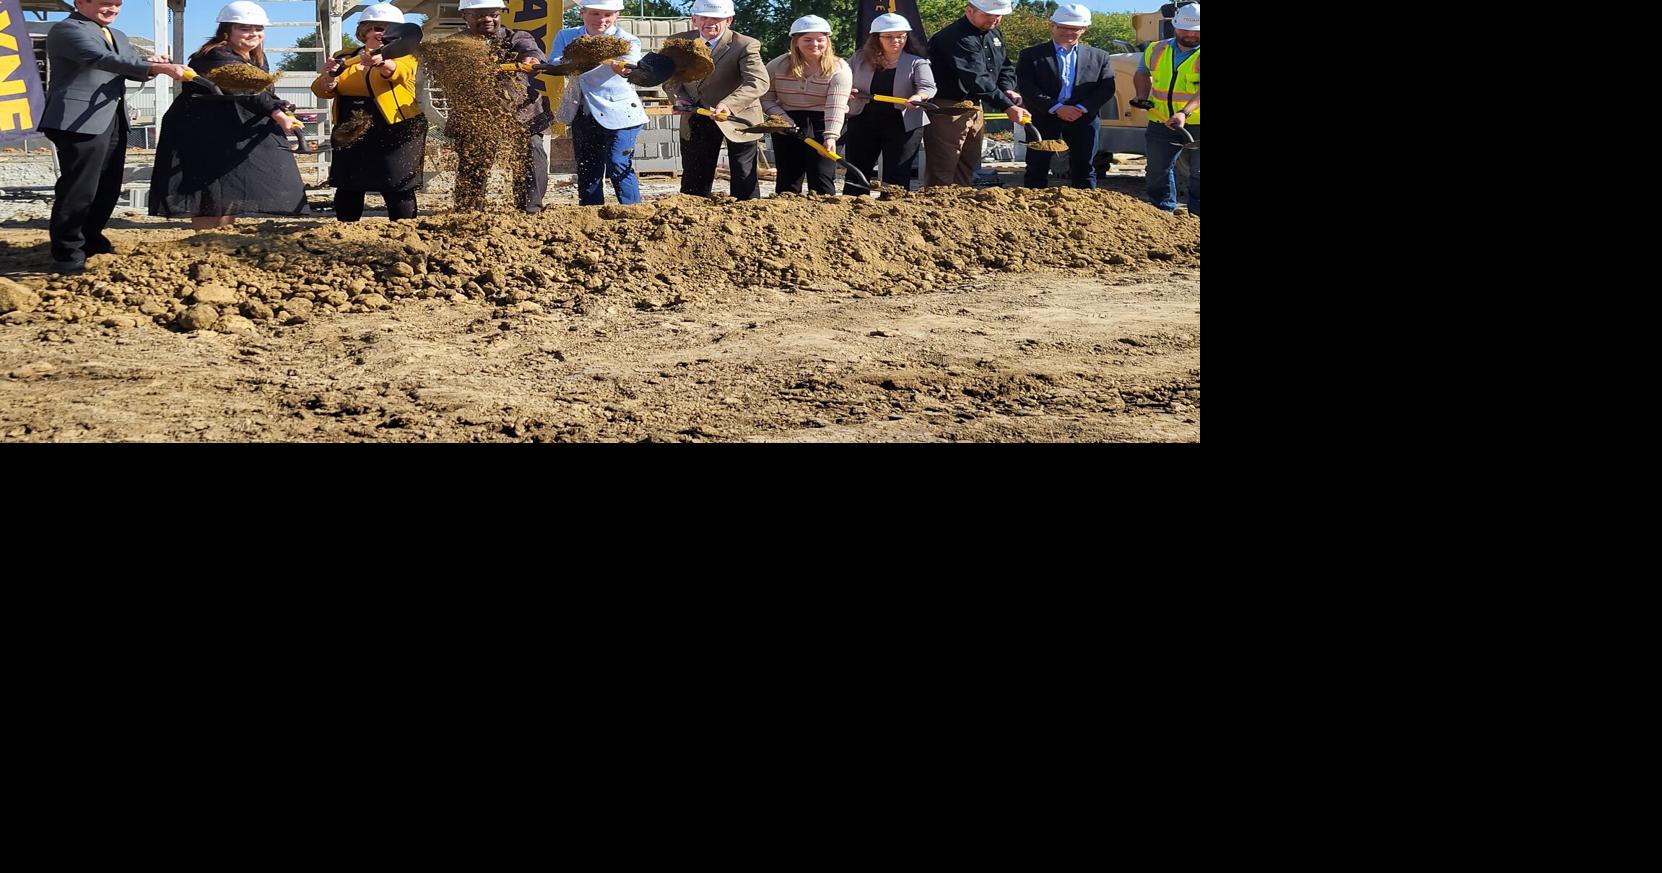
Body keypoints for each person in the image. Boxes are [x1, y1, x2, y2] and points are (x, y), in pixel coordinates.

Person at [39, 0, 188, 273]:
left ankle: (91, 238)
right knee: (79, 187)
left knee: (108, 186)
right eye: (105, 3)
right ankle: (67, 249)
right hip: (76, 121)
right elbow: (103, 59)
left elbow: (128, 67)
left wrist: (150, 65)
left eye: (117, 5)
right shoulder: (67, 29)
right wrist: (157, 69)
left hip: (112, 118)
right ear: (80, 2)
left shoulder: (117, 35)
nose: (113, 10)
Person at [150, 2, 308, 229]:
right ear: (227, 31)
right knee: (207, 187)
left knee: (228, 185)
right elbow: (247, 90)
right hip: (201, 130)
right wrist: (276, 113)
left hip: (228, 128)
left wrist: (281, 109)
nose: (253, 34)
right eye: (244, 28)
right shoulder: (215, 55)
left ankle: (220, 236)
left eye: (258, 29)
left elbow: (261, 91)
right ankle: (205, 240)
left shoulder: (256, 58)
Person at [311, 3, 428, 222]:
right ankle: (345, 228)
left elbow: (400, 73)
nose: (383, 33)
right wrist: (329, 79)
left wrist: (381, 62)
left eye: (390, 29)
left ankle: (404, 232)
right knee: (348, 184)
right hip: (352, 127)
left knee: (397, 185)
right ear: (364, 31)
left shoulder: (407, 56)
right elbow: (320, 89)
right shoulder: (344, 56)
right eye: (378, 28)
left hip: (397, 128)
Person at [452, 0, 550, 213]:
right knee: (473, 161)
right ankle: (468, 212)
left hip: (522, 112)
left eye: (493, 14)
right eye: (479, 15)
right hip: (477, 114)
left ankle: (530, 210)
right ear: (464, 16)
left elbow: (530, 50)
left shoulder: (516, 37)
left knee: (532, 153)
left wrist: (532, 60)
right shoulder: (455, 43)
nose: (487, 19)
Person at [664, 0, 768, 200]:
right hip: (696, 114)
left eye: (717, 18)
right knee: (695, 179)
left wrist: (729, 104)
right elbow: (670, 77)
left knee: (744, 177)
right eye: (704, 17)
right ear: (694, 19)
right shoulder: (678, 43)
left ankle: (746, 218)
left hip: (738, 117)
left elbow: (758, 82)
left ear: (728, 19)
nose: (709, 22)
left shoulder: (744, 44)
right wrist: (680, 98)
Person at [924, 0, 1030, 187]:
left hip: (974, 105)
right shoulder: (955, 37)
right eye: (988, 14)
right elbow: (975, 77)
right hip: (948, 106)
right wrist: (1006, 105)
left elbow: (1004, 66)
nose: (994, 19)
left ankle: (961, 201)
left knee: (968, 161)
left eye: (998, 15)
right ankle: (937, 203)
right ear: (969, 10)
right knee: (944, 163)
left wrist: (1007, 89)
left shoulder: (994, 34)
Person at [551, 0, 647, 206]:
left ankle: (633, 211)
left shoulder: (626, 40)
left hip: (620, 112)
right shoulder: (567, 36)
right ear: (582, 12)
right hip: (583, 110)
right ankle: (590, 214)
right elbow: (555, 62)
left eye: (607, 15)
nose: (601, 20)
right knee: (588, 167)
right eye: (595, 13)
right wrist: (579, 56)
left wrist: (625, 69)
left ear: (616, 15)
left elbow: (631, 63)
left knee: (618, 163)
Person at [1015, 4, 1114, 190]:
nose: (1068, 32)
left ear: (1084, 29)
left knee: (1085, 167)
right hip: (1044, 117)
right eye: (1063, 27)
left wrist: (1082, 108)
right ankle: (1032, 209)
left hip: (1084, 119)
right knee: (1037, 166)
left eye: (1074, 28)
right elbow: (1027, 86)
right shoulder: (1031, 55)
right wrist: (1057, 108)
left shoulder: (1100, 57)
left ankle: (1085, 208)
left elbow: (1106, 88)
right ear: (1052, 25)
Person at [842, 13, 935, 194]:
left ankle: (893, 211)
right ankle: (854, 207)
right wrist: (847, 90)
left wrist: (918, 97)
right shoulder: (859, 58)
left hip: (903, 124)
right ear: (876, 38)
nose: (896, 41)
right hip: (863, 121)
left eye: (901, 36)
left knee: (897, 174)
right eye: (890, 37)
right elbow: (843, 79)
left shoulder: (917, 62)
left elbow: (927, 87)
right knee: (857, 171)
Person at [760, 16, 851, 196]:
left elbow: (836, 106)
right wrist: (783, 120)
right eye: (807, 40)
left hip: (824, 121)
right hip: (786, 120)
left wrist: (831, 137)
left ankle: (825, 215)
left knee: (821, 175)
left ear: (828, 41)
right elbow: (765, 97)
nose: (814, 44)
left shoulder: (839, 69)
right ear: (796, 42)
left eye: (820, 39)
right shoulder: (777, 66)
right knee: (788, 176)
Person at [1132, 1, 1199, 214]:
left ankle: (1196, 220)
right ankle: (1163, 216)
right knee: (1157, 171)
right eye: (1185, 30)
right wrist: (1142, 96)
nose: (1191, 35)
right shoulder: (1156, 48)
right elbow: (1142, 73)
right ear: (1175, 26)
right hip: (1161, 121)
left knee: (1199, 173)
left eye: (1197, 31)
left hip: (1196, 124)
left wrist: (1184, 112)